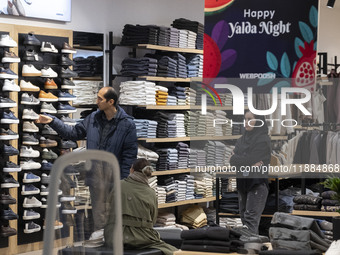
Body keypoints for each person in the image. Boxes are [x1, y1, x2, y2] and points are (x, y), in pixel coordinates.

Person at [36, 86, 138, 238]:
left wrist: (123, 182)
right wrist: (52, 121)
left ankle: (116, 247)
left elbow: (129, 156)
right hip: (96, 174)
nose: (96, 101)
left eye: (100, 99)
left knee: (117, 215)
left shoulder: (127, 124)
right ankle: (102, 247)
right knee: (99, 216)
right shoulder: (93, 119)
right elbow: (73, 133)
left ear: (111, 102)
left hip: (115, 175)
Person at [105, 158, 177, 255]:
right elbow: (152, 220)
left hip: (113, 237)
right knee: (173, 250)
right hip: (140, 239)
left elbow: (107, 210)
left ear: (131, 169)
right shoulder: (150, 193)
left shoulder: (118, 185)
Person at [229, 110, 271, 234]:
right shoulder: (242, 140)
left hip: (257, 184)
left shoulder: (263, 140)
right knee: (244, 221)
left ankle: (252, 251)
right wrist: (244, 161)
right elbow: (233, 160)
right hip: (242, 183)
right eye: (245, 119)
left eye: (249, 119)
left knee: (250, 222)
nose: (246, 122)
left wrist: (238, 159)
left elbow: (248, 158)